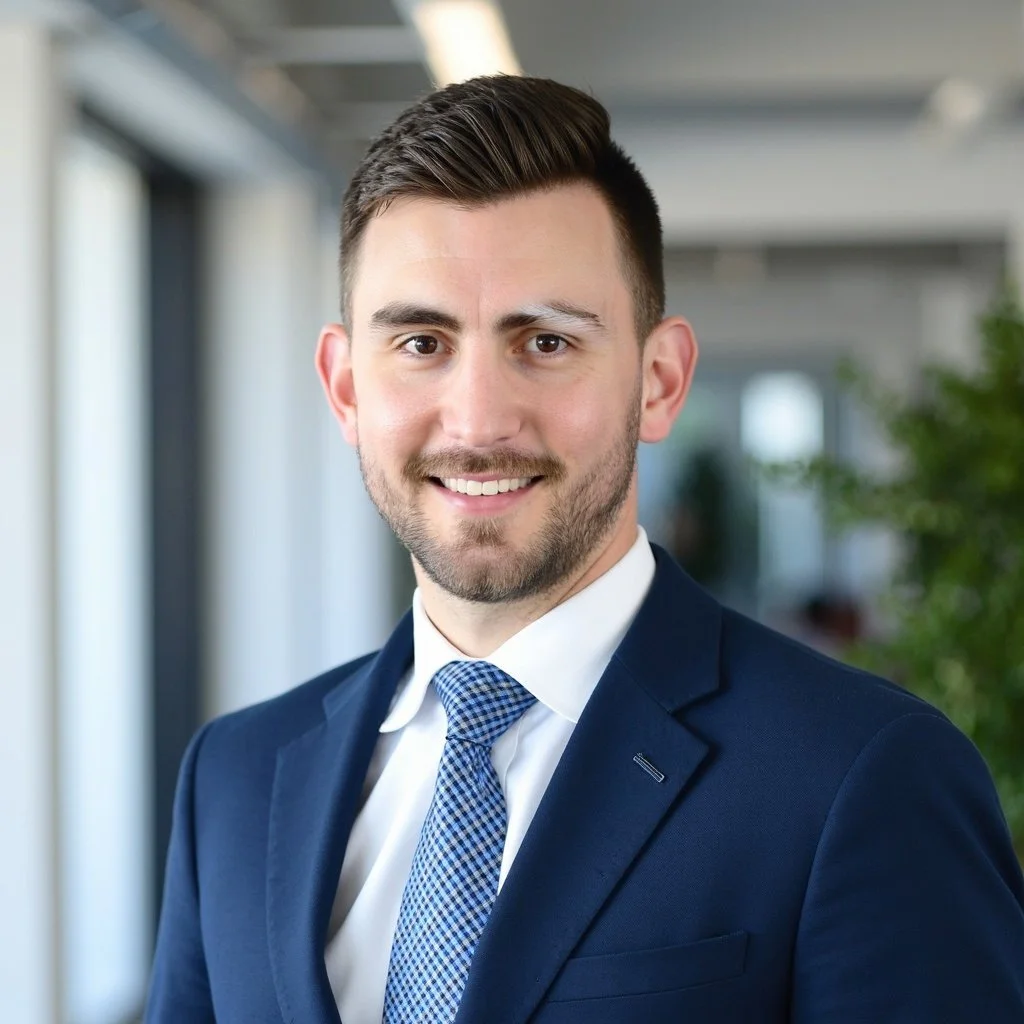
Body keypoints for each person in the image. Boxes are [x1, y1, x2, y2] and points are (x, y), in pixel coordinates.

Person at [145, 76, 1024, 1023]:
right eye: (421, 343)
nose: (478, 420)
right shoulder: (236, 778)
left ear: (659, 380)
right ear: (347, 386)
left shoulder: (864, 774)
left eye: (547, 342)